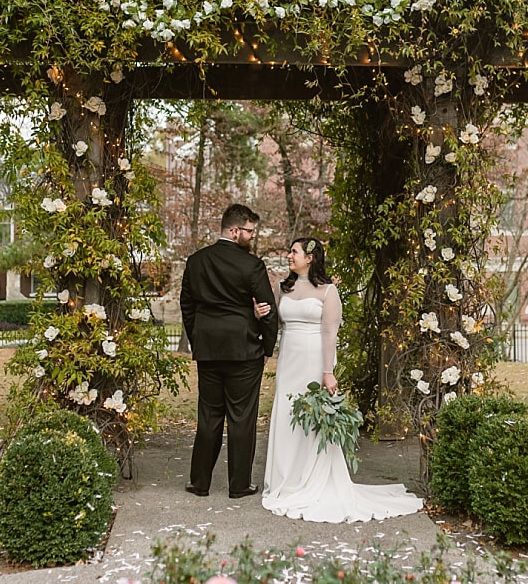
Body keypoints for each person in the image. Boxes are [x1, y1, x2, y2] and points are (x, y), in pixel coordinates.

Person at [259, 237, 423, 522]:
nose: (289, 255)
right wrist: (258, 313)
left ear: (310, 257)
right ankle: (286, 479)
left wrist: (327, 371)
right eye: (290, 251)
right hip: (288, 360)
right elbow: (272, 321)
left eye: (294, 252)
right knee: (286, 415)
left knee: (311, 419)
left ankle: (311, 478)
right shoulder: (282, 288)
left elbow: (329, 334)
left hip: (313, 361)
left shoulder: (327, 291)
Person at [180, 204, 278, 499]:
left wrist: (199, 341)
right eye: (249, 231)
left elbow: (187, 306)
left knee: (209, 416)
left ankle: (200, 483)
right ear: (234, 231)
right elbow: (268, 310)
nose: (252, 237)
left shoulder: (196, 261)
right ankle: (239, 485)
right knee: (241, 418)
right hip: (244, 349)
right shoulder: (252, 266)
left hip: (209, 350)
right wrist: (267, 346)